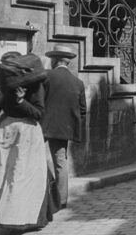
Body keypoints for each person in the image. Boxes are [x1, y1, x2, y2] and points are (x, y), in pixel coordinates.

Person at [0, 52, 58, 230]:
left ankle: (20, 220)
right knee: (0, 175)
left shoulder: (34, 86)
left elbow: (39, 113)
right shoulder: (3, 86)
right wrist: (0, 96)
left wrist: (20, 101)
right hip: (6, 133)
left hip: (27, 134)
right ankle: (7, 216)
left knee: (22, 177)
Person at [42, 44, 86, 209]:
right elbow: (83, 111)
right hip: (63, 128)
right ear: (68, 62)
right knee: (61, 162)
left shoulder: (46, 76)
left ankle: (43, 193)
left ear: (54, 60)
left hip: (42, 126)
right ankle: (61, 199)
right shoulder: (78, 83)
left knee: (35, 158)